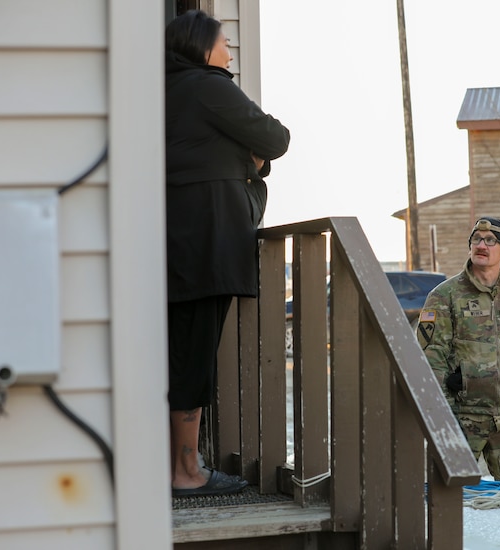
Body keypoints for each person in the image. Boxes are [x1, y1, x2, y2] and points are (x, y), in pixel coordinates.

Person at [165, 10, 291, 496]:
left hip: (174, 242)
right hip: (206, 247)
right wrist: (251, 161)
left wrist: (247, 161)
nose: (230, 53)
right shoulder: (208, 86)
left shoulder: (167, 91)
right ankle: (186, 473)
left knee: (176, 356)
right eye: (224, 43)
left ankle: (176, 467)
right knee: (192, 362)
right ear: (202, 46)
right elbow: (275, 139)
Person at [416, 217, 500, 492]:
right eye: (476, 239)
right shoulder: (445, 296)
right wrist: (446, 414)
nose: (482, 244)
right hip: (462, 419)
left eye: (491, 240)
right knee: (446, 503)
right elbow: (431, 359)